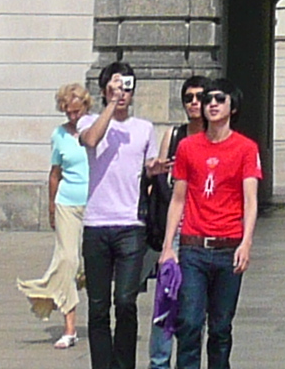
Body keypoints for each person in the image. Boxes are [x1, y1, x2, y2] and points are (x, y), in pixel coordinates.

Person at [159, 77, 260, 369]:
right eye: (208, 100)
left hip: (229, 247)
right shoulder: (189, 147)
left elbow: (250, 199)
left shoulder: (245, 148)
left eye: (219, 99)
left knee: (220, 327)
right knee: (189, 323)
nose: (212, 104)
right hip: (193, 247)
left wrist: (246, 242)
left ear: (233, 106)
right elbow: (178, 198)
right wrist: (169, 246)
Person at [76, 64, 167, 369]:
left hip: (131, 225)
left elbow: (150, 162)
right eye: (116, 87)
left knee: (126, 301)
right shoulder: (90, 121)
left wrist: (155, 169)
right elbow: (90, 140)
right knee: (99, 306)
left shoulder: (143, 128)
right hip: (97, 224)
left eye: (127, 88)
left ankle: (124, 364)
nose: (123, 94)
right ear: (104, 91)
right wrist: (111, 105)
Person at [22, 84, 95, 351]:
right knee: (67, 261)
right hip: (67, 202)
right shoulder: (59, 135)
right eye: (68, 112)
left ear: (87, 106)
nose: (74, 117)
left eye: (78, 111)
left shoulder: (98, 129)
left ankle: (92, 314)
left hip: (97, 204)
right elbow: (55, 173)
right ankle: (69, 328)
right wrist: (51, 207)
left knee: (90, 264)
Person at [146, 80, 208, 369]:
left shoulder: (215, 137)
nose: (193, 103)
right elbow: (160, 177)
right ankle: (158, 362)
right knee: (166, 299)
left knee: (193, 309)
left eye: (199, 97)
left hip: (202, 232)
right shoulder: (174, 135)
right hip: (175, 230)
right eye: (188, 98)